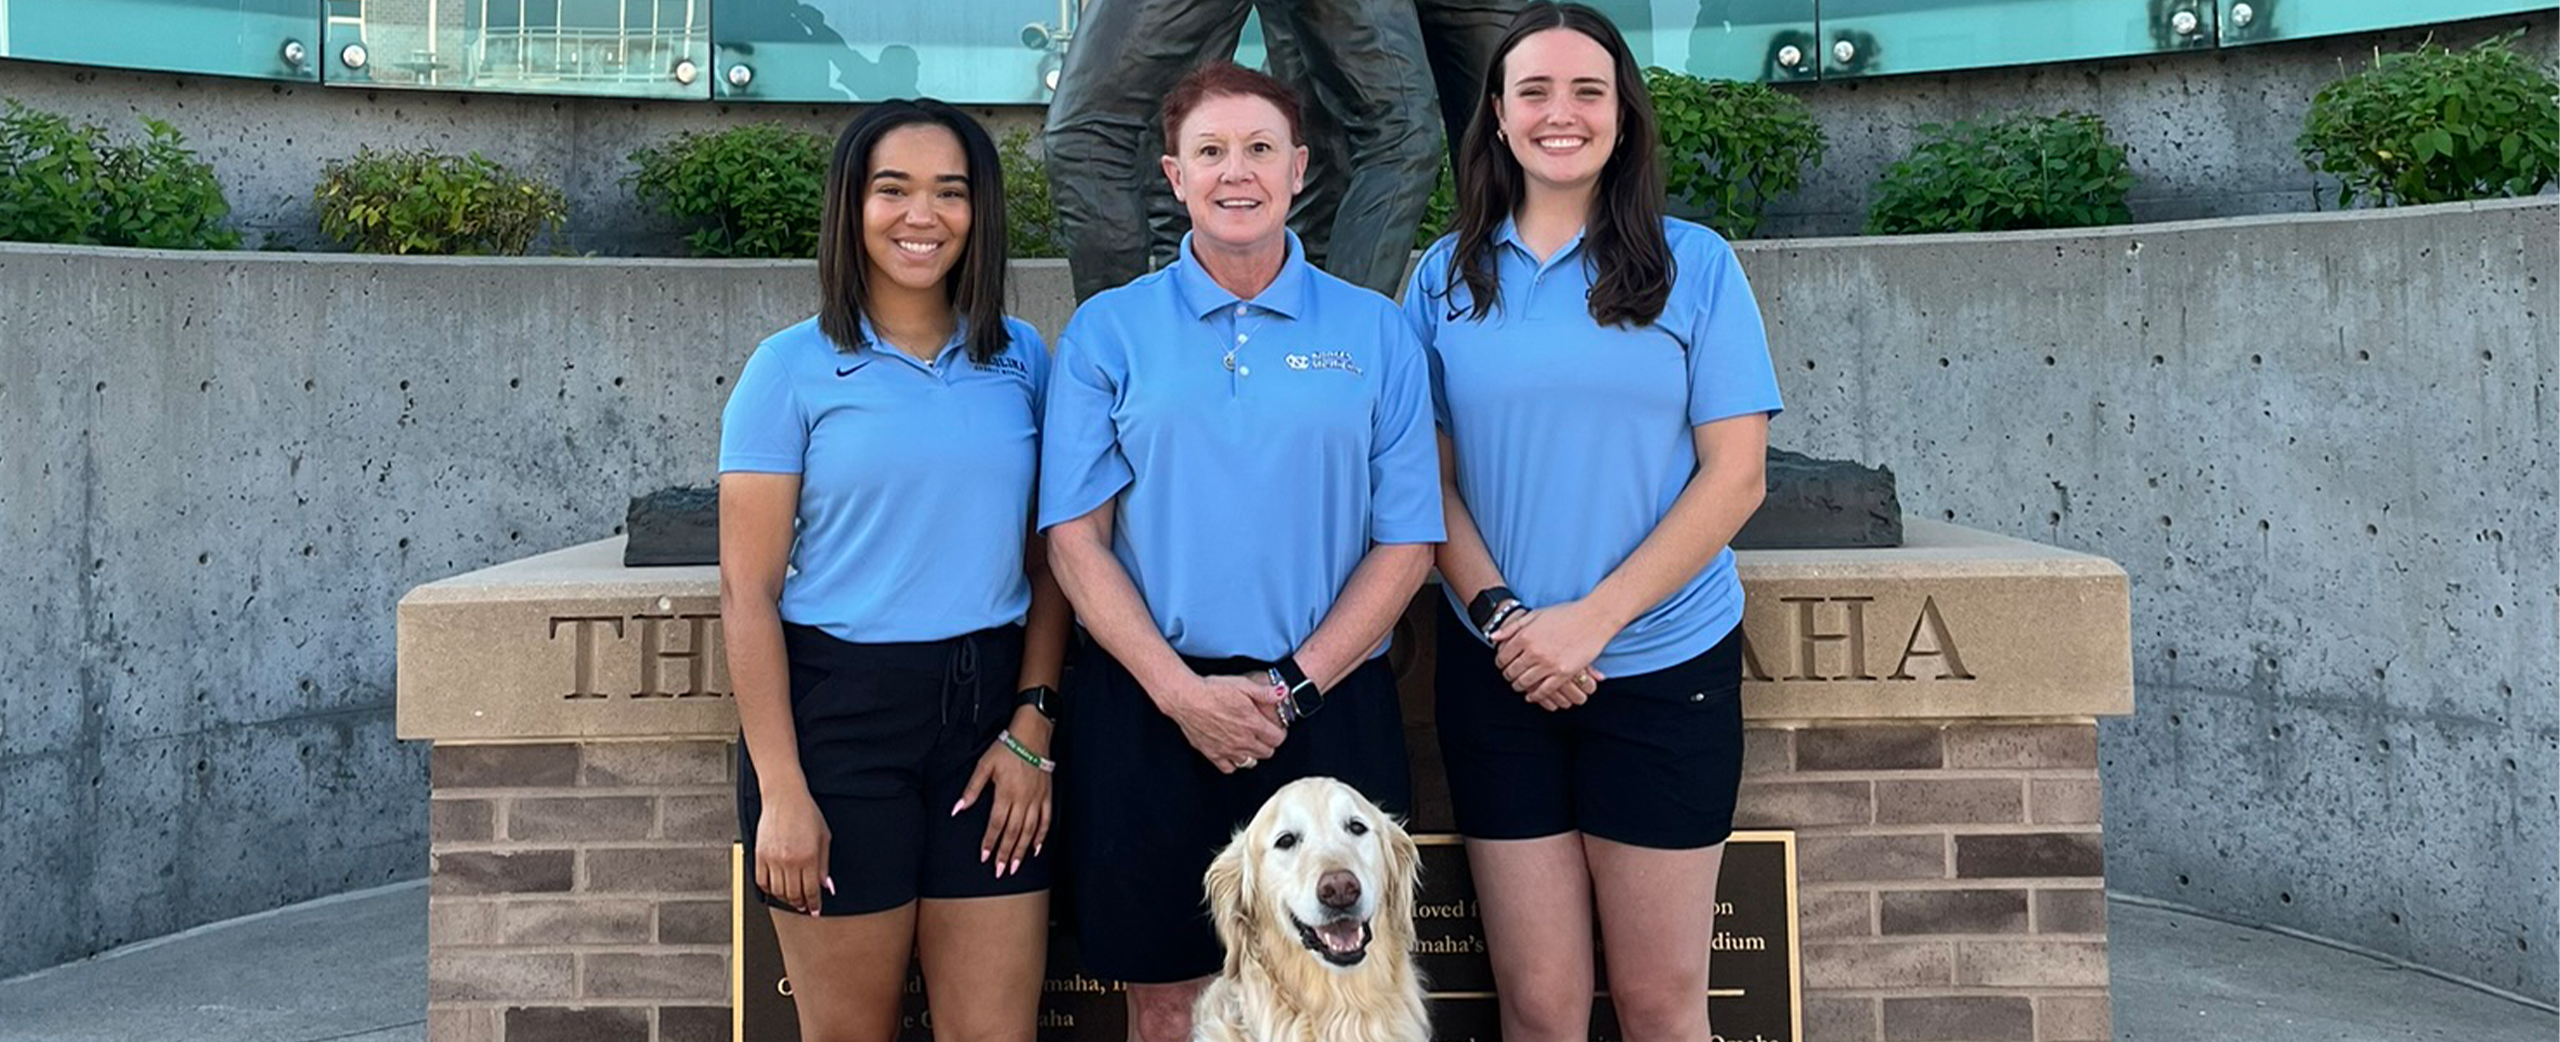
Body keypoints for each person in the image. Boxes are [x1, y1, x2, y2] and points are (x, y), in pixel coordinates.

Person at [1038, 61, 1444, 1042]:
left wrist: (1293, 687)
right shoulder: (1108, 332)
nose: (1237, 171)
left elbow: (1408, 542)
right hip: (1150, 710)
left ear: (1298, 168)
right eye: (1210, 151)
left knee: (1345, 999)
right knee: (1173, 1003)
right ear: (1173, 175)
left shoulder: (1374, 332)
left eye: (1260, 148)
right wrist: (1181, 694)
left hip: (1324, 705)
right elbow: (1074, 542)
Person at [1400, 5, 1782, 1042]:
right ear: (1495, 114)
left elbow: (1734, 476)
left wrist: (1590, 622)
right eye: (1533, 91)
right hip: (1500, 667)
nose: (1558, 114)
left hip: (1663, 666)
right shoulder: (1440, 279)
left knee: (1661, 1004)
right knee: (1537, 1006)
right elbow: (1423, 483)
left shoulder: (1693, 264)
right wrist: (1510, 619)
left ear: (1622, 117)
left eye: (1586, 91)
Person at [718, 99, 1068, 1042]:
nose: (923, 215)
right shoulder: (787, 368)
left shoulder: (1024, 360)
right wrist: (782, 790)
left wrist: (1032, 728)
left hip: (988, 721)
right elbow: (746, 593)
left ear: (981, 211)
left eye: (950, 192)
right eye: (894, 190)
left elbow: (1051, 568)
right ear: (852, 206)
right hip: (841, 726)